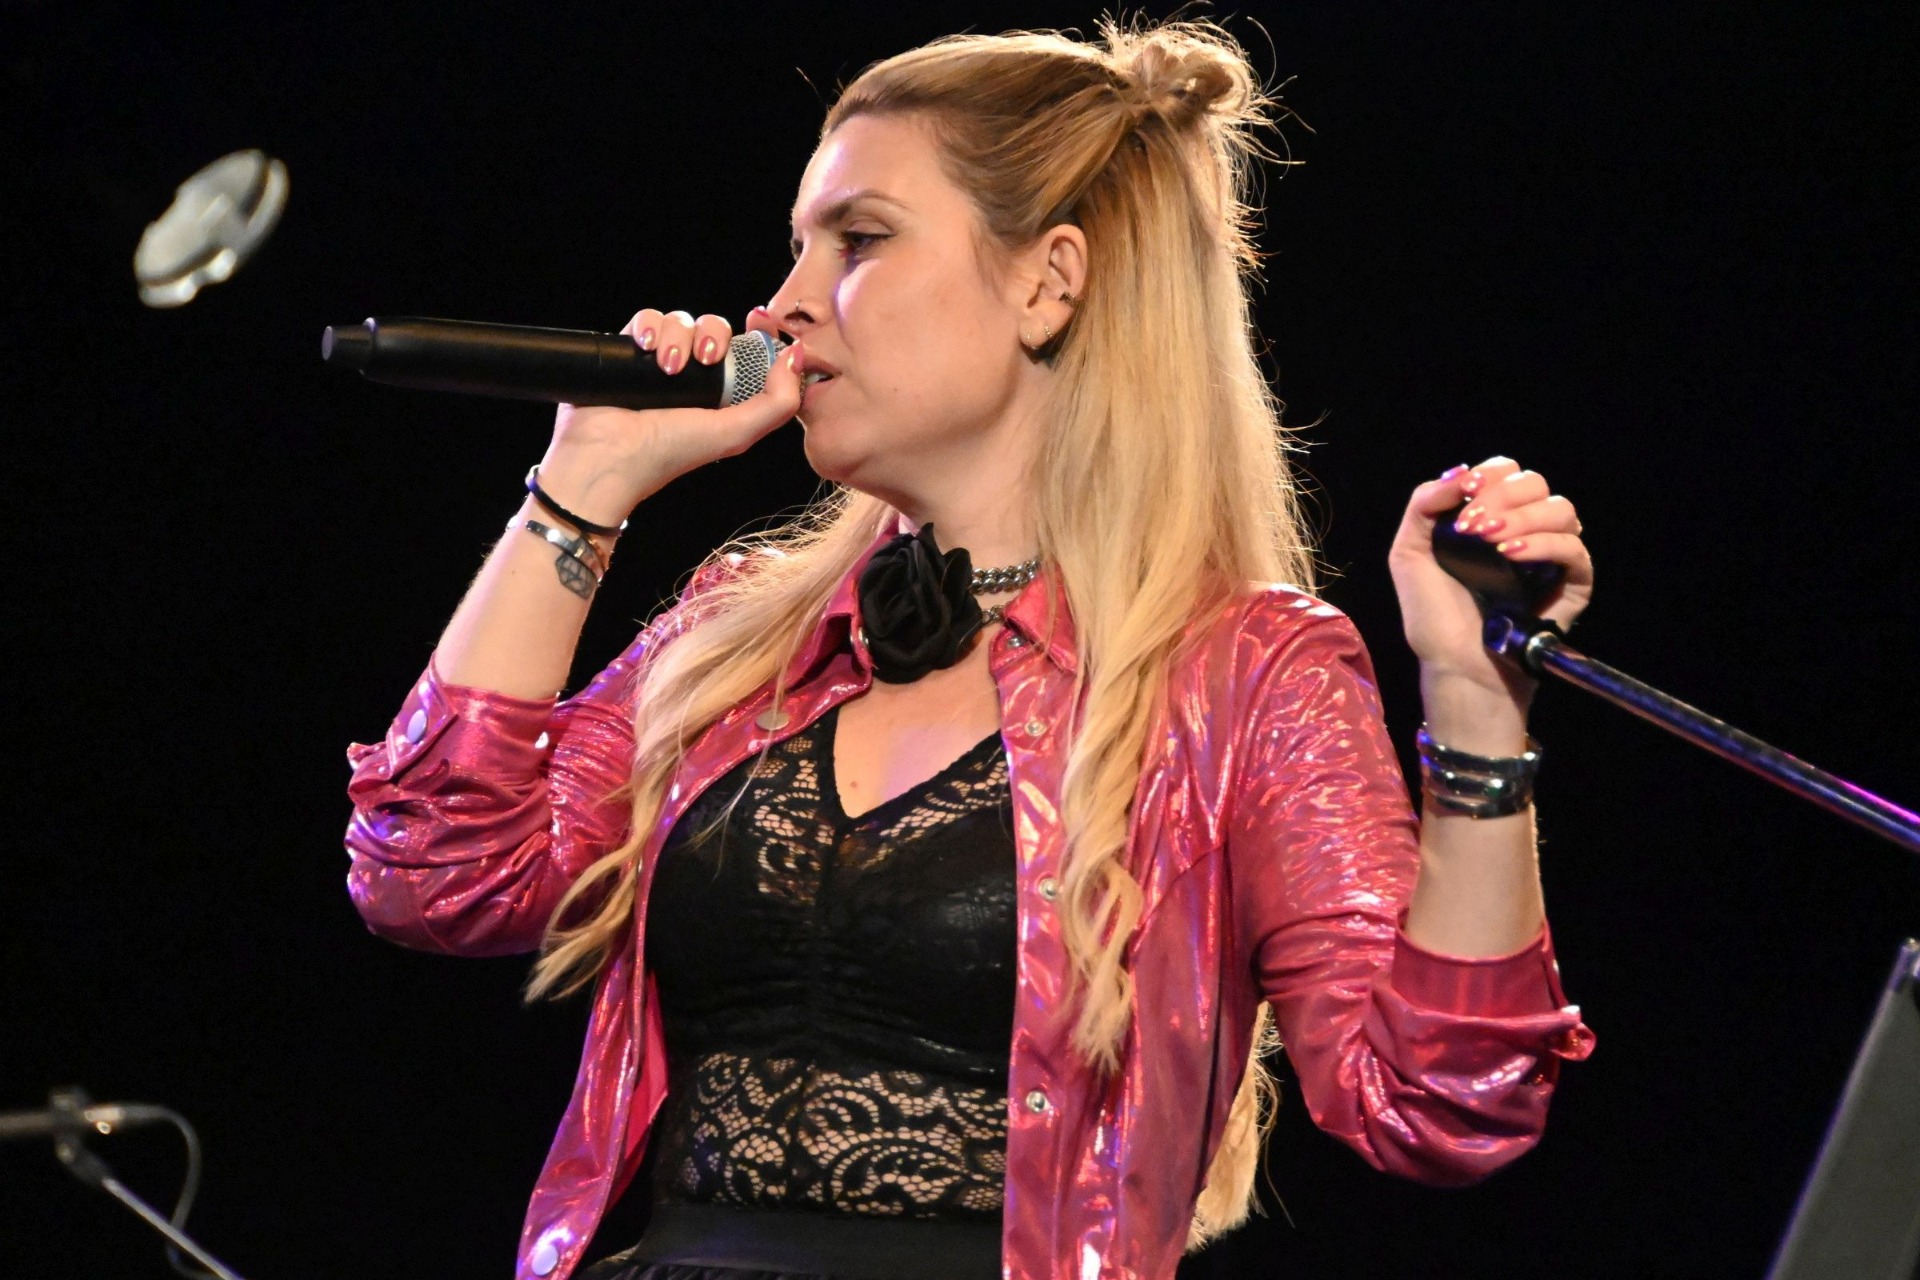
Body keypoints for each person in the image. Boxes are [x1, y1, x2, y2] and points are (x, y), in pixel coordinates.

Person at [344, 18, 1596, 1280]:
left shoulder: (1243, 672)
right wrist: (579, 490)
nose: (782, 304)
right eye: (797, 244)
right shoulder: (740, 636)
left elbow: (1437, 1099)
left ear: (1050, 282)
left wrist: (1476, 706)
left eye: (859, 239)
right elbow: (434, 874)